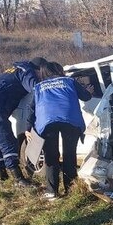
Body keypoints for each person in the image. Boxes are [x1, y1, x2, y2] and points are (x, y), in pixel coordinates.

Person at [27, 61, 92, 201]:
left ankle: (52, 192)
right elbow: (86, 96)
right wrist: (89, 92)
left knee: (51, 157)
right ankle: (71, 188)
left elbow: (31, 109)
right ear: (59, 70)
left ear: (44, 73)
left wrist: (28, 128)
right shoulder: (69, 81)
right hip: (70, 121)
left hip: (47, 122)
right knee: (69, 154)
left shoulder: (38, 87)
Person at [0, 56, 45, 187]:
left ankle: (2, 176)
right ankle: (19, 179)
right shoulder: (27, 71)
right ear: (39, 69)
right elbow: (35, 88)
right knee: (6, 141)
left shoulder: (15, 69)